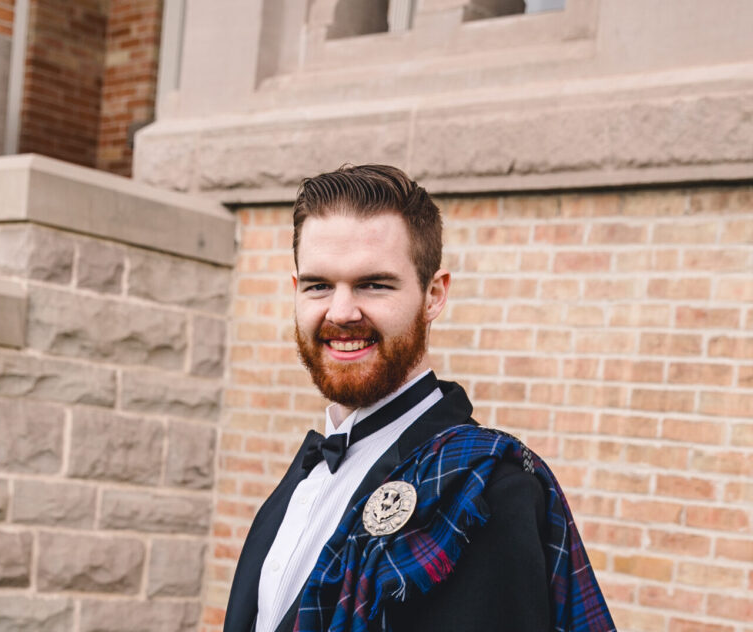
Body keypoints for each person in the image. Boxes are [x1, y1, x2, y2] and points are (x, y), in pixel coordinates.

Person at [224, 165, 614, 632]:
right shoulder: (307, 473)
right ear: (295, 292)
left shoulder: (491, 488)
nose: (341, 311)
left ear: (433, 294)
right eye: (318, 286)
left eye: (374, 284)